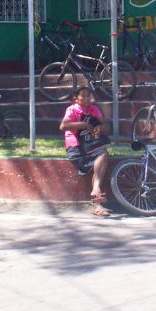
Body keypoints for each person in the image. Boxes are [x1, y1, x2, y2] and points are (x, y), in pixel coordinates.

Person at [60, 85, 112, 217]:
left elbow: (106, 126)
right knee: (97, 165)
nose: (86, 98)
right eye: (83, 95)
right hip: (76, 147)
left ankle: (96, 193)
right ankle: (98, 203)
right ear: (76, 98)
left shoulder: (94, 109)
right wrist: (82, 125)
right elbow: (63, 126)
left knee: (103, 154)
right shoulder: (72, 110)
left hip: (90, 145)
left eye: (89, 95)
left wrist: (100, 128)